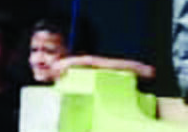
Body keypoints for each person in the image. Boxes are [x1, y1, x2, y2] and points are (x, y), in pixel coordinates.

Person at [28, 16, 156, 87]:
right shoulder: (24, 78)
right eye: (34, 50)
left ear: (77, 54)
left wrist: (82, 61)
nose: (38, 60)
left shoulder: (81, 71)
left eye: (49, 52)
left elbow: (147, 71)